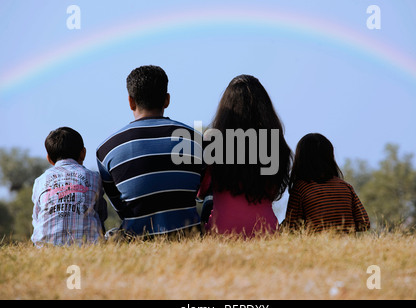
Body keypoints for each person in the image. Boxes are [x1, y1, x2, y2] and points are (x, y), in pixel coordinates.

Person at [96, 65, 202, 238]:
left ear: (130, 102)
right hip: (190, 236)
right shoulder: (195, 139)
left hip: (137, 239)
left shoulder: (107, 149)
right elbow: (200, 192)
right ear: (167, 100)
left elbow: (121, 207)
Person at [197, 75, 292, 238]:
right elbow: (275, 190)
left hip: (220, 232)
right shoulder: (275, 143)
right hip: (267, 232)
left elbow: (201, 191)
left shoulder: (212, 141)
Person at [31, 127, 107, 246]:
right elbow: (101, 214)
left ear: (49, 159)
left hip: (45, 248)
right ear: (83, 153)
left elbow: (37, 219)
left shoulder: (40, 181)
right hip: (88, 245)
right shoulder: (94, 177)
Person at [283, 133, 370, 233]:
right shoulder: (346, 187)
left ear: (301, 159)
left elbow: (291, 227)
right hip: (347, 246)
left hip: (316, 247)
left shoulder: (301, 188)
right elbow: (364, 223)